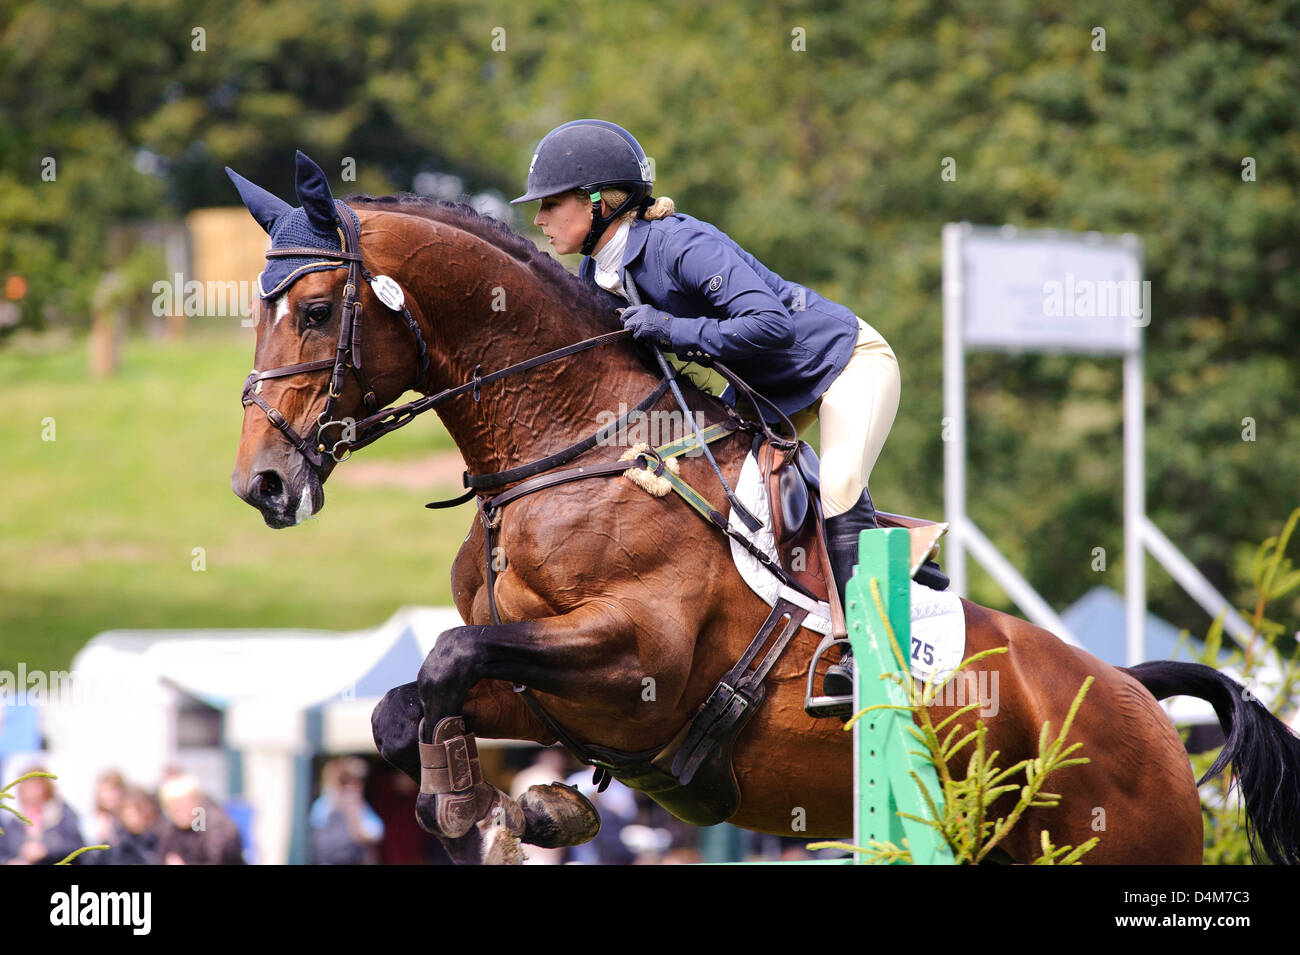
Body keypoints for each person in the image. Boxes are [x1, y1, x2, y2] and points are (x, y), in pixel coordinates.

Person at [512, 119, 904, 696]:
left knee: (842, 482)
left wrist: (669, 327)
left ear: (599, 201)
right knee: (722, 489)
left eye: (551, 203)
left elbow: (768, 325)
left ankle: (865, 649)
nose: (539, 219)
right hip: (760, 389)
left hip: (839, 362)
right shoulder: (599, 272)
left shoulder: (682, 244)